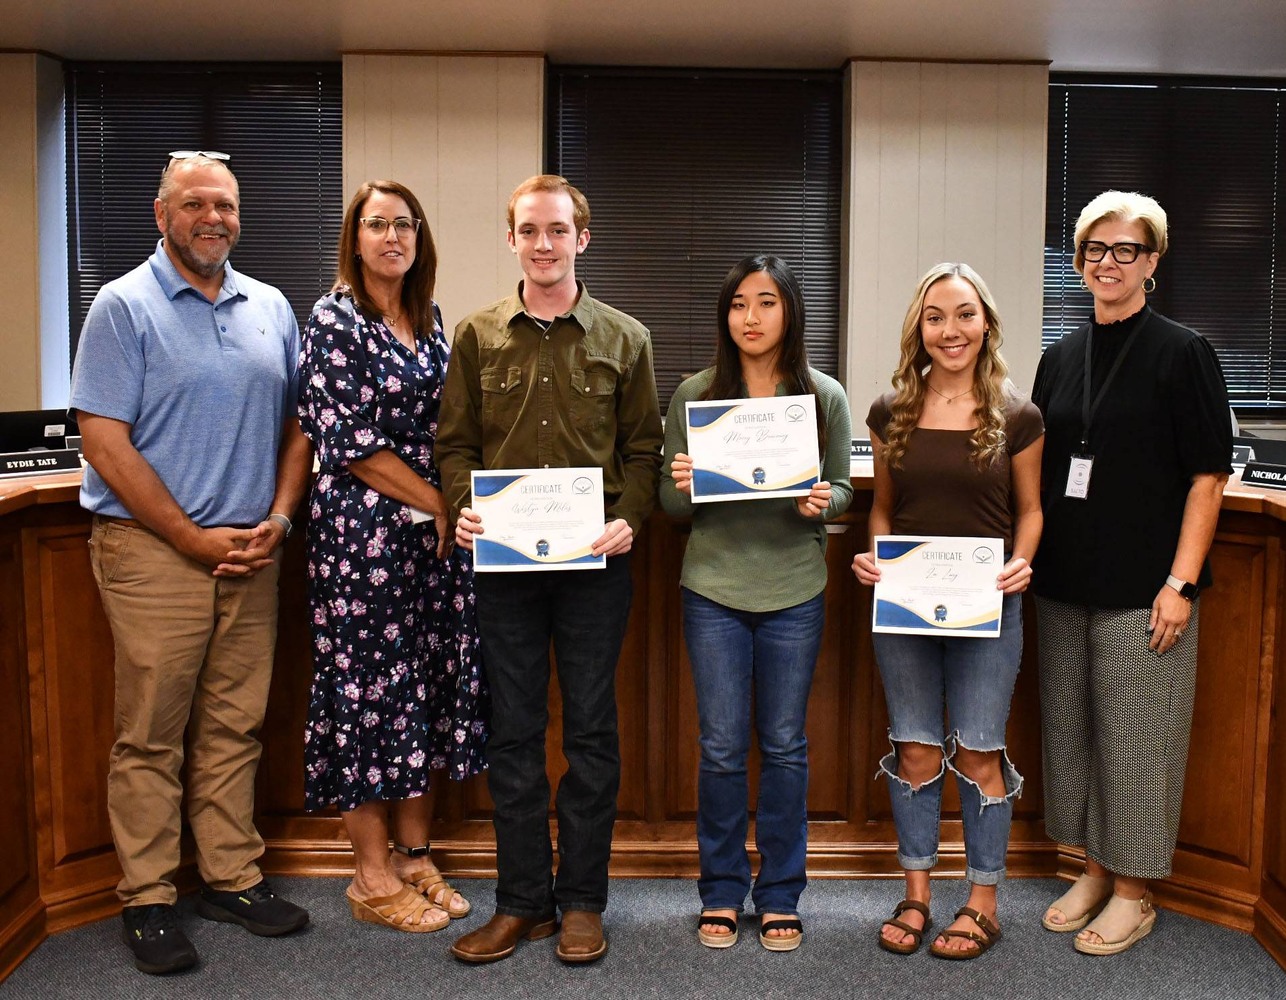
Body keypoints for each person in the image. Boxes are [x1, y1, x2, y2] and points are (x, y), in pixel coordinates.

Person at [69, 150, 312, 975]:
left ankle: (230, 877)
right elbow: (103, 438)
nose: (214, 218)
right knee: (150, 733)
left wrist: (279, 518)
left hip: (252, 551)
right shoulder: (122, 305)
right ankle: (147, 897)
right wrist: (186, 536)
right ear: (161, 213)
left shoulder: (270, 306)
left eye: (227, 205)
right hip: (154, 555)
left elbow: (298, 428)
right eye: (196, 203)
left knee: (233, 724)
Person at [437, 174, 663, 965]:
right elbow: (456, 445)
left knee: (593, 733)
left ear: (581, 240)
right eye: (529, 230)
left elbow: (644, 451)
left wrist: (629, 516)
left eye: (558, 230)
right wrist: (462, 503)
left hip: (594, 571)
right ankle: (522, 901)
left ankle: (582, 903)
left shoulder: (625, 338)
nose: (544, 243)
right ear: (511, 240)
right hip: (502, 568)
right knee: (515, 735)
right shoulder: (476, 336)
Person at [1032, 191, 1231, 955]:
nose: (1107, 264)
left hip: (1146, 590)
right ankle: (1089, 868)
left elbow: (1208, 478)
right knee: (1073, 734)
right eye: (1094, 250)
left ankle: (1135, 891)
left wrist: (1180, 584)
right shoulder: (1063, 354)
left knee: (1138, 741)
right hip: (1063, 583)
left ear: (1152, 262)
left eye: (1125, 251)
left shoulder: (1183, 352)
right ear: (1078, 261)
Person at [298, 181, 487, 934]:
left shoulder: (430, 318)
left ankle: (415, 853)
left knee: (422, 688)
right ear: (355, 235)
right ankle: (370, 876)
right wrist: (441, 501)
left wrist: (449, 506)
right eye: (376, 224)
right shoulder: (333, 320)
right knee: (370, 696)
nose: (391, 237)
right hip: (362, 540)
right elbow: (348, 446)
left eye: (403, 224)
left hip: (429, 545)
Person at [660, 254, 853, 952]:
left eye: (766, 302)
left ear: (789, 311)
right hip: (713, 588)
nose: (750, 316)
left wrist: (822, 501)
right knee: (718, 748)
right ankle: (719, 890)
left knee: (784, 746)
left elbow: (842, 489)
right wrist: (681, 482)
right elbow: (669, 511)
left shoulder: (823, 396)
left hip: (793, 592)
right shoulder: (694, 396)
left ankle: (779, 894)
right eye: (739, 303)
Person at [851, 262, 1043, 960]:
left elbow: (1029, 510)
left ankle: (983, 899)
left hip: (988, 608)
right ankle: (917, 893)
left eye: (964, 314)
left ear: (985, 322)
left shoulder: (1018, 416)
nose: (950, 329)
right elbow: (880, 508)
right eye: (936, 316)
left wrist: (1022, 559)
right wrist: (874, 558)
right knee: (916, 748)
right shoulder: (890, 410)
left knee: (981, 750)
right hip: (904, 607)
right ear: (919, 327)